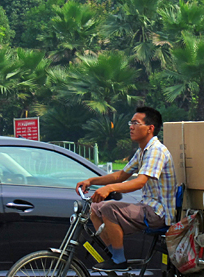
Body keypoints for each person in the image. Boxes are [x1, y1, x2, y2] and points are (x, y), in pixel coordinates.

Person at [76, 107, 177, 265]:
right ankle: (112, 253)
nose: (131, 127)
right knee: (94, 209)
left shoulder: (155, 151)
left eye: (136, 123)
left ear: (150, 128)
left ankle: (118, 259)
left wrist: (109, 188)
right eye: (131, 123)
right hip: (147, 206)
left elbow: (140, 181)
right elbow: (120, 176)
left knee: (110, 209)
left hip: (159, 212)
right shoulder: (142, 151)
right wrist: (91, 181)